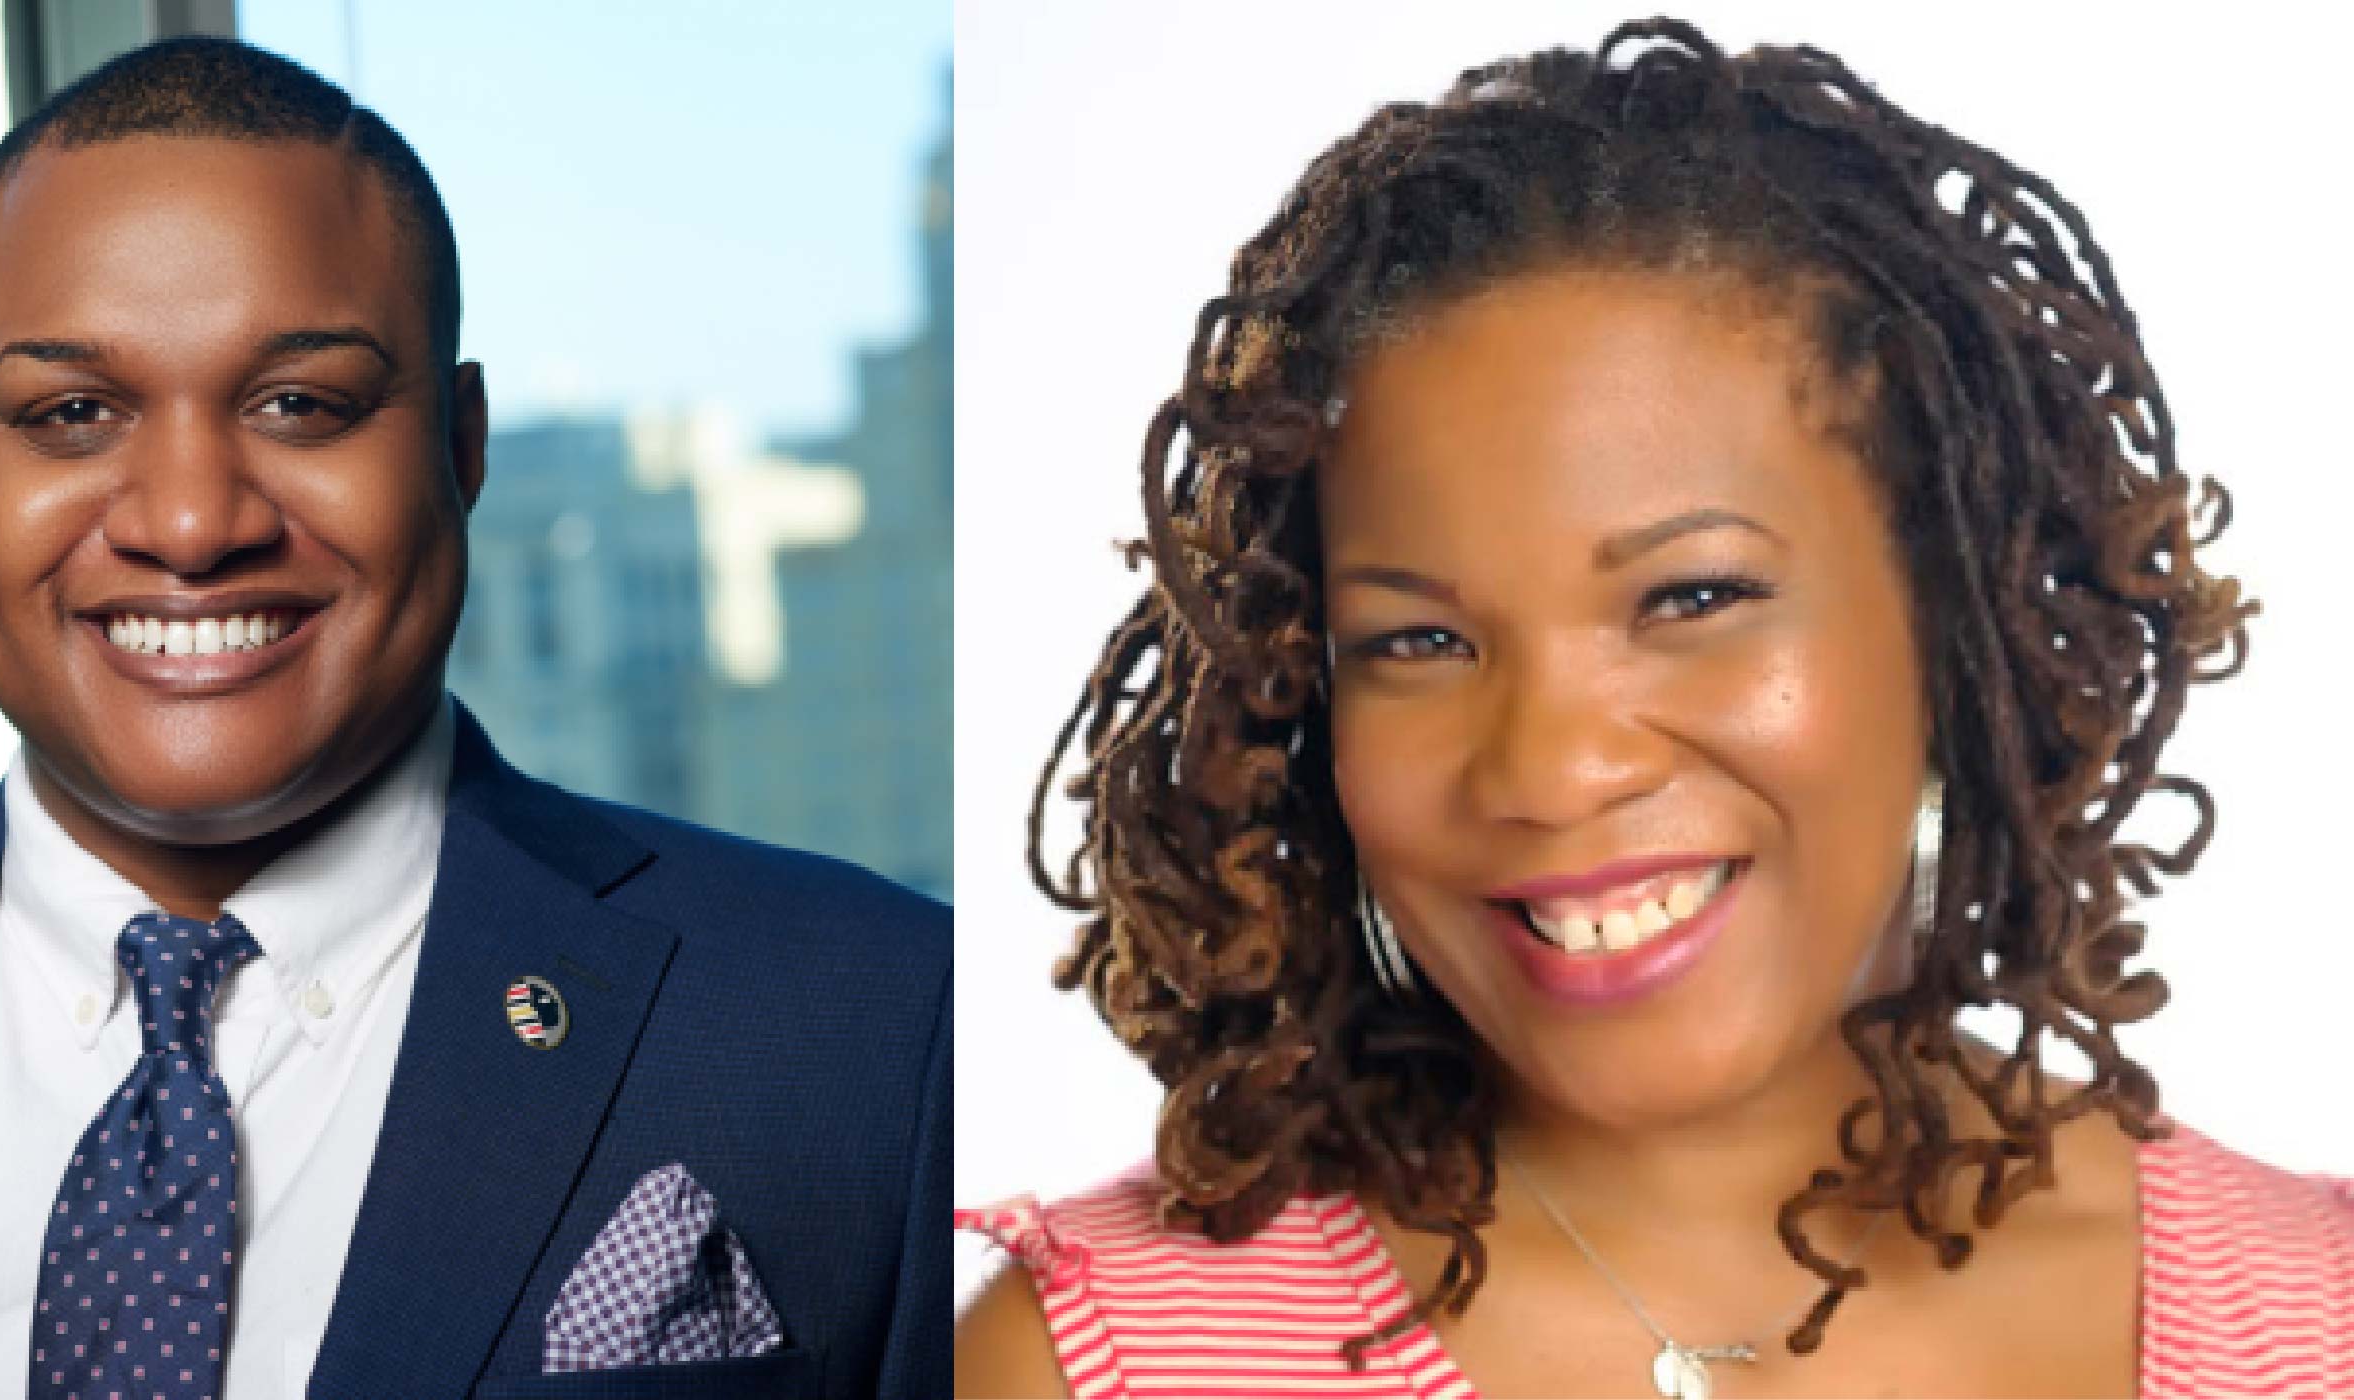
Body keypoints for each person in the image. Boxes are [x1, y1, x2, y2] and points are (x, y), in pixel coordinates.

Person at [963, 20, 2346, 1398]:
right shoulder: (1099, 1368)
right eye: (1420, 639)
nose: (1554, 770)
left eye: (1691, 599)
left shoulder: (2317, 1319)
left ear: (1956, 611)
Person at [0, 37, 950, 1399]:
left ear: (460, 449)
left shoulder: (881, 1029)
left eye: (300, 404)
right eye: (75, 411)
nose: (189, 522)